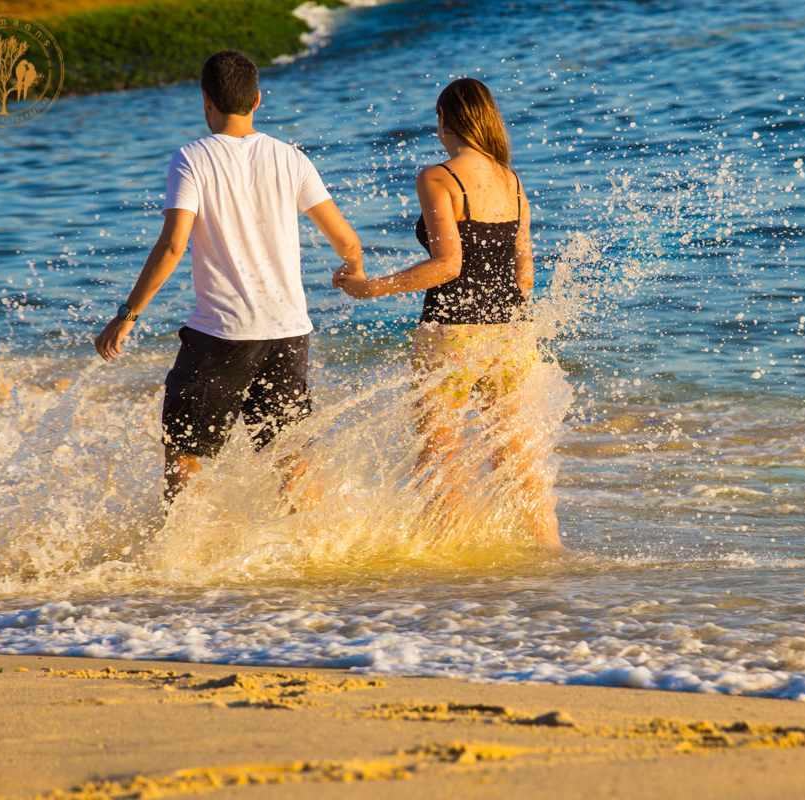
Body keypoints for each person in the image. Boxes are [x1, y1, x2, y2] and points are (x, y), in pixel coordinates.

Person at [94, 49, 363, 505]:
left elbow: (173, 245)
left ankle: (184, 562)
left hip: (223, 335)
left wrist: (128, 314)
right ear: (258, 99)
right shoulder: (290, 158)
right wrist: (353, 267)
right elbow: (345, 239)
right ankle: (315, 555)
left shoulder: (192, 158)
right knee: (290, 456)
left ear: (205, 100)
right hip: (289, 332)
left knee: (185, 457)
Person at [336, 78, 559, 550]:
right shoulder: (511, 179)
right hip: (512, 333)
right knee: (515, 452)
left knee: (441, 454)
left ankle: (450, 567)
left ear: (445, 119)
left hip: (451, 331)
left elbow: (448, 265)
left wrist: (370, 288)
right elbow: (525, 272)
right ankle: (549, 550)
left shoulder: (438, 177)